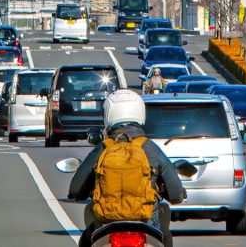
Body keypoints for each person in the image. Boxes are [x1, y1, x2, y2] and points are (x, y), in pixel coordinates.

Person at [69, 90, 185, 247]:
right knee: (166, 237)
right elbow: (176, 194)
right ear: (140, 112)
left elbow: (76, 190)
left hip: (106, 222)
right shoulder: (150, 148)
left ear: (108, 114)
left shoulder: (103, 148)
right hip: (147, 222)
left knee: (86, 240)